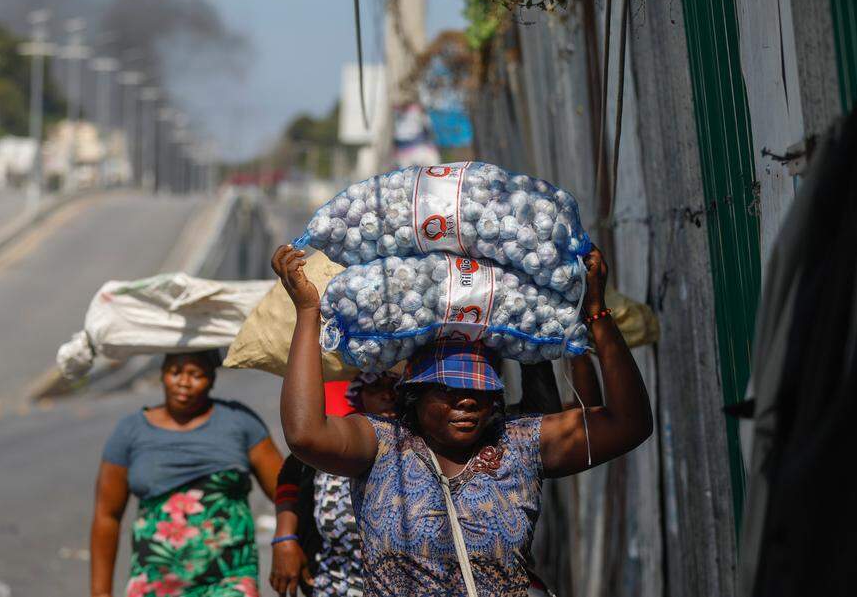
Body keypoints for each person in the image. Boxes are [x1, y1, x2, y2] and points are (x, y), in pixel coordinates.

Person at [271, 244, 652, 596]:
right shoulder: (382, 444)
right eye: (447, 391)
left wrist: (597, 314)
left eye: (481, 391)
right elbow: (304, 434)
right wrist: (308, 314)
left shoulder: (518, 443)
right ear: (414, 396)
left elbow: (629, 423)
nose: (467, 401)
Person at [90, 349, 284, 597]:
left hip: (229, 579)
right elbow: (107, 516)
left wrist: (288, 539)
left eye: (196, 374)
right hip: (154, 581)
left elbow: (286, 493)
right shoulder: (130, 432)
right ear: (161, 374)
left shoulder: (239, 422)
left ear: (212, 379)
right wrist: (100, 593)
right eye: (175, 372)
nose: (184, 382)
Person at [269, 373, 398, 597]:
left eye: (396, 386)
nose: (387, 395)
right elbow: (290, 475)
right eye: (375, 387)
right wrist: (285, 537)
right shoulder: (338, 439)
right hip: (333, 582)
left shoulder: (428, 445)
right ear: (360, 393)